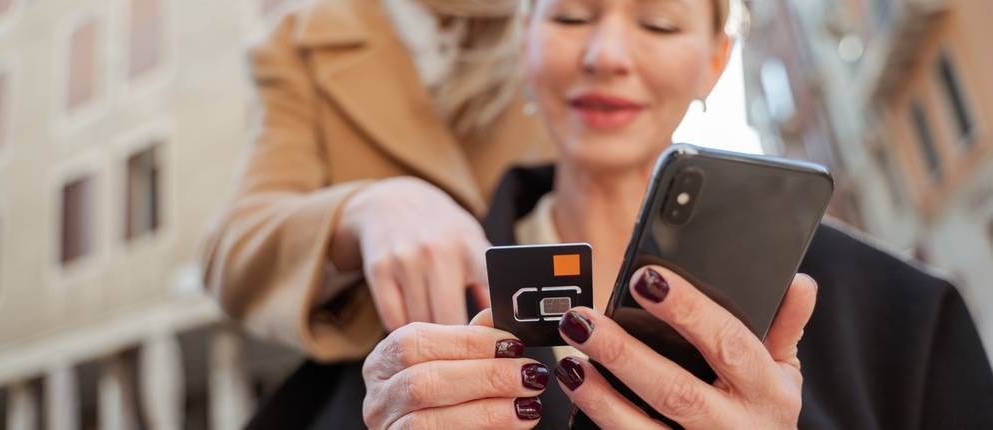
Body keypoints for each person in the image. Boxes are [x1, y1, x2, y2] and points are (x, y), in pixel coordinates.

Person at [357, 0, 993, 429]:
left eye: (659, 23)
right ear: (525, 41)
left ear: (715, 63)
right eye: (572, 15)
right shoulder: (407, 299)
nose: (606, 55)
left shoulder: (902, 314)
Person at [201, 0, 553, 367]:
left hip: (550, 366)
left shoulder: (556, 33)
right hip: (391, 379)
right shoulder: (304, 38)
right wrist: (360, 212)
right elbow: (235, 248)